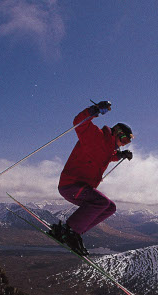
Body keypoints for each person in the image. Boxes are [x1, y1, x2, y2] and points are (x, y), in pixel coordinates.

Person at [48, 101, 133, 255]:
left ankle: (75, 232)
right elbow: (79, 123)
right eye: (124, 140)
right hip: (71, 185)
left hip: (82, 188)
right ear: (117, 133)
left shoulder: (109, 149)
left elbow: (108, 156)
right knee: (102, 202)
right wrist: (94, 110)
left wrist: (121, 155)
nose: (123, 145)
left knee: (110, 207)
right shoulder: (96, 137)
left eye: (126, 143)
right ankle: (68, 231)